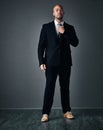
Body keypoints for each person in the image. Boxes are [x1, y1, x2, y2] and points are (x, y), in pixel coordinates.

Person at [38, 4, 79, 122]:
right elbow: (41, 46)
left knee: (65, 88)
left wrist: (65, 32)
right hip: (50, 63)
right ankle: (45, 113)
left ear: (63, 12)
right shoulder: (46, 27)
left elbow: (75, 43)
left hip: (65, 63)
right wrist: (41, 62)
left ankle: (67, 111)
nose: (59, 11)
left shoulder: (70, 28)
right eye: (56, 10)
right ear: (53, 13)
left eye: (60, 9)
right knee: (49, 88)